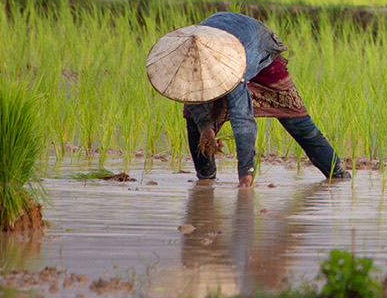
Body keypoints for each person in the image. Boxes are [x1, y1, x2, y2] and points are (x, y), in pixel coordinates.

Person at [146, 12, 350, 185]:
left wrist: (246, 174)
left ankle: (339, 176)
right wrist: (206, 128)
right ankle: (206, 182)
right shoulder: (187, 62)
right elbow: (193, 99)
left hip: (257, 49)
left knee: (297, 120)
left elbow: (243, 120)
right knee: (194, 123)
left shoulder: (235, 68)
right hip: (219, 40)